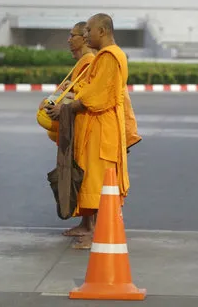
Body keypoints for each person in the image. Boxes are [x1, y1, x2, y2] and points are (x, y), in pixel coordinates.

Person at [47, 13, 132, 249]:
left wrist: (67, 107)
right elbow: (89, 88)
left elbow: (97, 95)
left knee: (98, 179)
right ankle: (88, 226)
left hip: (102, 127)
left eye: (89, 32)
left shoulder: (110, 56)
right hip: (93, 126)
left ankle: (97, 232)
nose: (86, 36)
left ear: (102, 32)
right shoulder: (103, 57)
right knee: (87, 175)